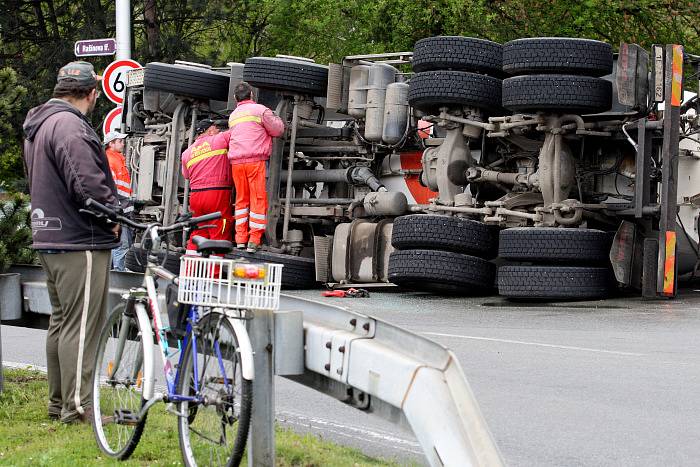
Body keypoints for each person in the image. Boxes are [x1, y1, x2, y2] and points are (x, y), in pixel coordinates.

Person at [22, 61, 120, 424]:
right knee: (82, 327)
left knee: (62, 323)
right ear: (92, 93)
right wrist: (112, 217)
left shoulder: (41, 124)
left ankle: (58, 401)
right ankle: (78, 409)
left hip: (48, 234)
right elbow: (87, 185)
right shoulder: (70, 127)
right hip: (80, 238)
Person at [228, 82, 285, 252]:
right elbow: (278, 130)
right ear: (252, 95)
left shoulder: (233, 115)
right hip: (255, 161)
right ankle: (254, 240)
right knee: (258, 199)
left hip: (236, 164)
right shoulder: (260, 110)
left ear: (234, 98)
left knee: (241, 200)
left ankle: (240, 239)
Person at [181, 120, 234, 253]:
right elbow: (239, 132)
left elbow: (186, 176)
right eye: (216, 128)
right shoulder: (219, 139)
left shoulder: (187, 153)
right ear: (209, 131)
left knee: (198, 233)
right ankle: (214, 273)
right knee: (219, 235)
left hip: (195, 197)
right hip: (217, 194)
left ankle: (189, 269)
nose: (218, 131)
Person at [104, 130, 132, 270]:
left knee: (119, 245)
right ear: (111, 143)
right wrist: (117, 207)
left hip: (122, 209)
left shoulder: (118, 158)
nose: (123, 143)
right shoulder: (110, 161)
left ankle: (116, 274)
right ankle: (120, 276)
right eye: (120, 141)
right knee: (121, 245)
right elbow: (110, 187)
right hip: (118, 210)